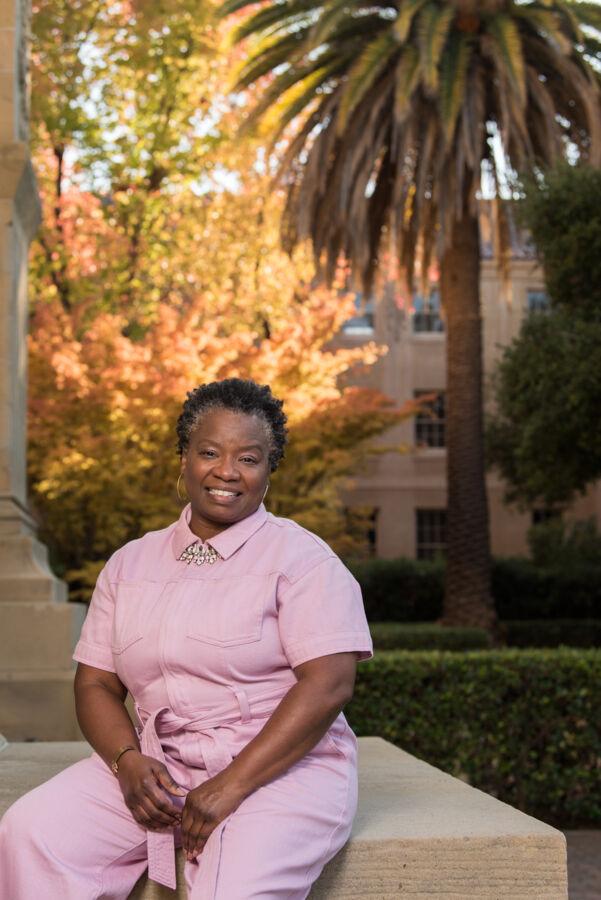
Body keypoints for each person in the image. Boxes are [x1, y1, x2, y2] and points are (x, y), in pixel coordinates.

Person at [0, 378, 374, 899]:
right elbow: (96, 686)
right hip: (162, 769)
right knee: (31, 833)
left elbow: (329, 685)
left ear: (269, 470)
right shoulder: (130, 564)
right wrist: (126, 762)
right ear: (184, 459)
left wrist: (230, 787)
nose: (227, 471)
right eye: (209, 452)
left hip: (281, 771)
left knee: (230, 890)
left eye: (249, 458)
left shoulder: (304, 562)